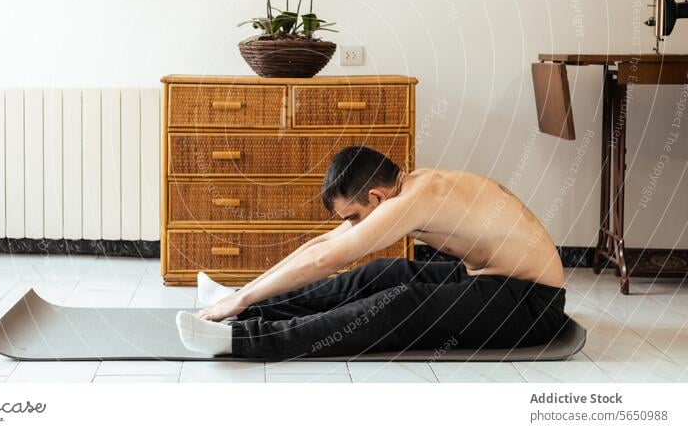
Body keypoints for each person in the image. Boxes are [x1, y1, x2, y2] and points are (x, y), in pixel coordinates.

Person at [176, 145, 568, 359]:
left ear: (377, 196)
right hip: (491, 280)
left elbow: (326, 260)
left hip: (531, 305)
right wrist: (242, 294)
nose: (352, 226)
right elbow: (321, 245)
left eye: (354, 217)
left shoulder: (419, 197)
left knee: (401, 302)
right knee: (382, 273)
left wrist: (242, 297)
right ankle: (243, 310)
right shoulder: (408, 187)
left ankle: (241, 339)